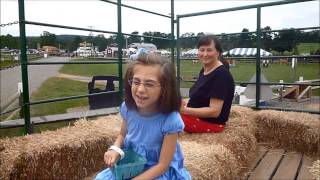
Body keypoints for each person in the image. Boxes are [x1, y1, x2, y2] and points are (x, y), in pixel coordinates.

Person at [95, 52, 191, 180]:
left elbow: (163, 166)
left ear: (164, 89)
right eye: (136, 82)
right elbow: (122, 135)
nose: (140, 89)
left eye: (149, 84)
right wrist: (115, 149)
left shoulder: (170, 120)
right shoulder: (128, 108)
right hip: (131, 166)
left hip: (156, 171)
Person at [180, 35, 235, 133]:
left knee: (166, 116)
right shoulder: (204, 70)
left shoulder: (221, 75)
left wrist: (184, 110)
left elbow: (214, 112)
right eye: (202, 50)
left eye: (209, 50)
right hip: (196, 117)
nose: (205, 54)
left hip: (209, 123)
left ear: (218, 52)